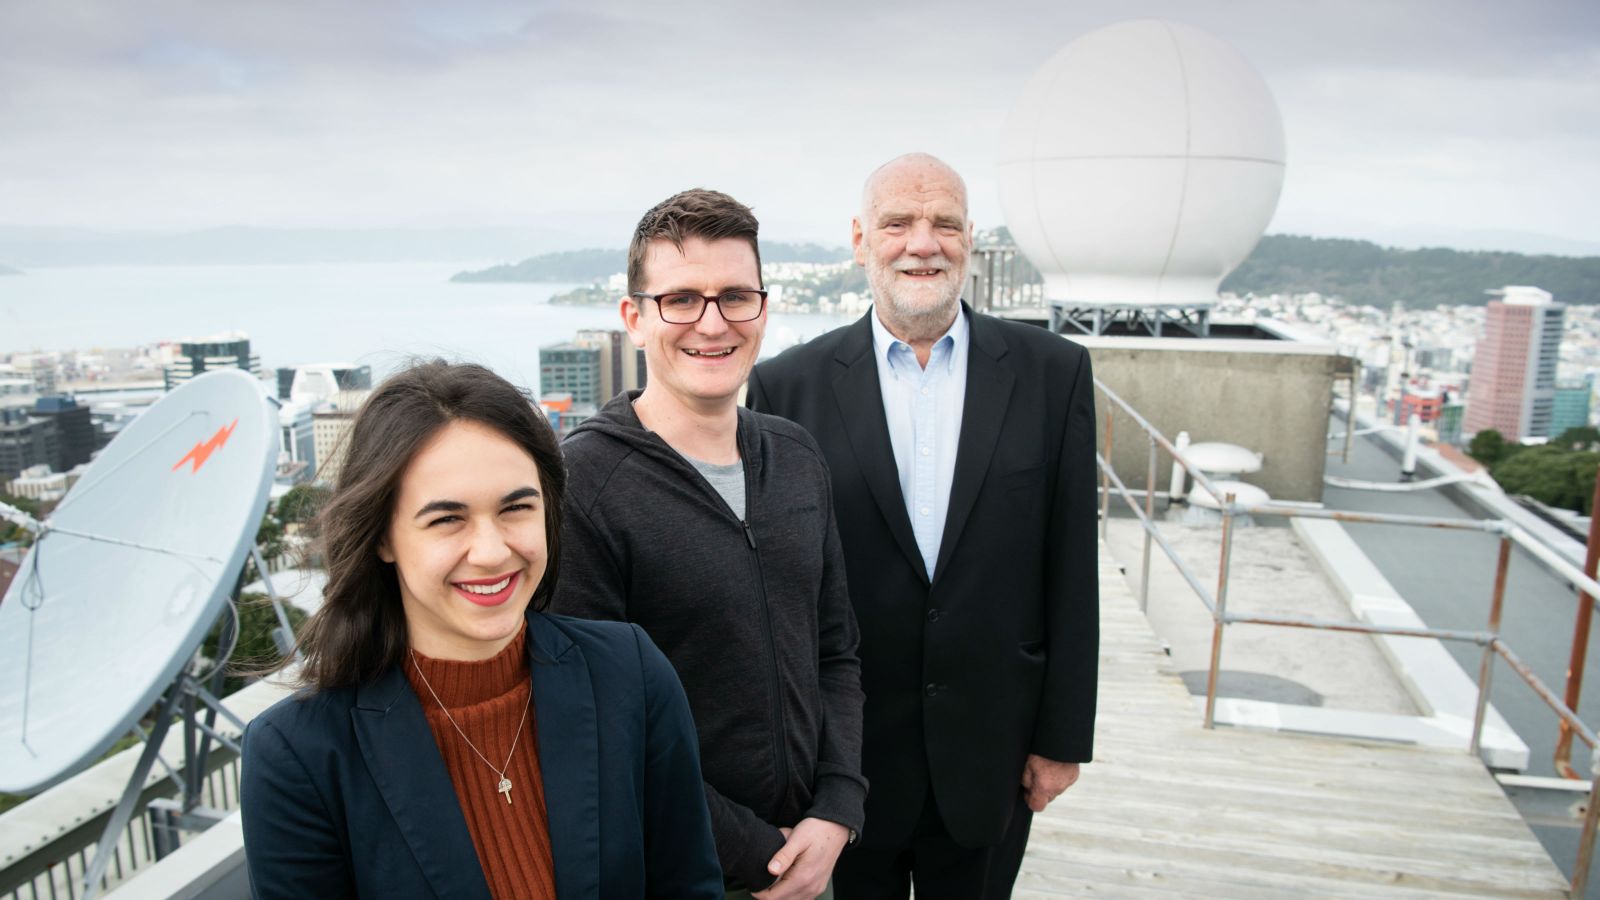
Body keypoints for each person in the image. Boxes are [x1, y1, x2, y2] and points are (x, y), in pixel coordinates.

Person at [746, 153, 1099, 899]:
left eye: (943, 223)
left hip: (993, 755)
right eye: (898, 223)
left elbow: (1072, 566)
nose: (922, 243)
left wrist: (1063, 741)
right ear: (860, 239)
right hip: (845, 766)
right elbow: (779, 585)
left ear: (969, 236)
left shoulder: (1052, 372)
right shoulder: (788, 385)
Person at [240, 361, 722, 899]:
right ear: (382, 538)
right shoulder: (300, 755)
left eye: (516, 508)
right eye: (447, 519)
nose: (492, 552)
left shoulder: (629, 675)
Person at [552, 189, 866, 899]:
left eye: (734, 296)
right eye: (682, 300)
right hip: (683, 872)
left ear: (763, 306)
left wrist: (839, 808)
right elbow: (603, 729)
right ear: (634, 318)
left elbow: (835, 650)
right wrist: (763, 855)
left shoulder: (795, 456)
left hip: (814, 855)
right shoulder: (587, 485)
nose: (712, 323)